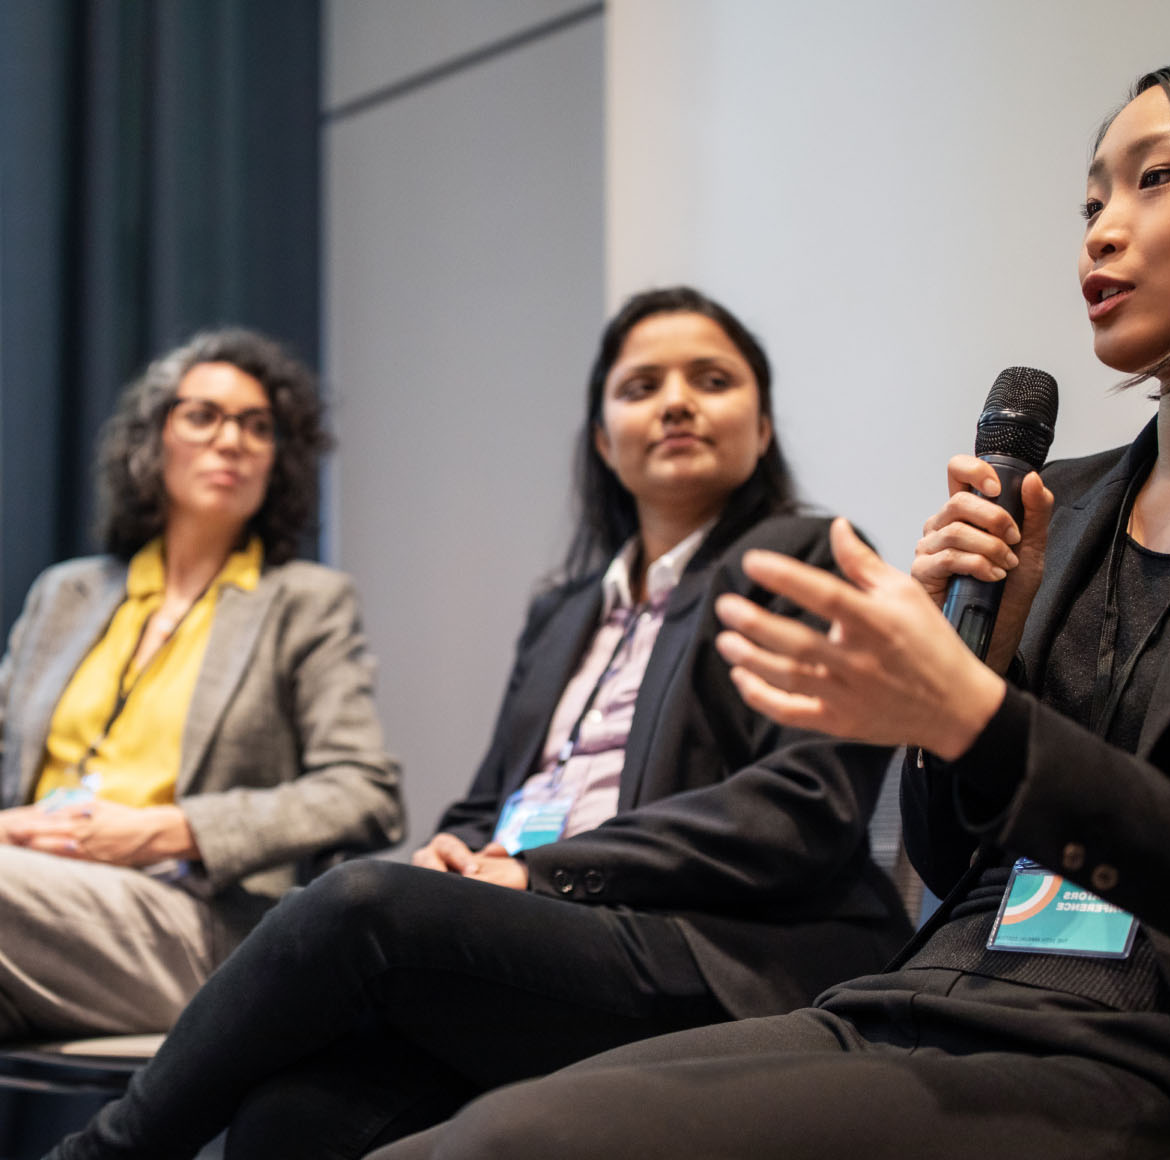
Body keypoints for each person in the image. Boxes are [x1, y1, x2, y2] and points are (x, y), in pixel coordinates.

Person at [360, 48, 1170, 1160]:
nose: (1099, 229)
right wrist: (973, 677)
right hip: (942, 989)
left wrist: (971, 710)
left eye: (1155, 179)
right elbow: (956, 861)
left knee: (508, 1147)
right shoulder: (1075, 495)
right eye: (1091, 196)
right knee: (421, 1138)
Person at [50, 286, 911, 1159]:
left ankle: (102, 1154)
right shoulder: (565, 612)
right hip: (562, 943)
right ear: (605, 442)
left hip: (720, 954)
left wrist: (540, 871)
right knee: (292, 1116)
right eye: (641, 385)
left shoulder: (812, 561)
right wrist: (455, 854)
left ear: (761, 428)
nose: (677, 401)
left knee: (358, 902)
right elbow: (489, 804)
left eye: (712, 379)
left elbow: (802, 807)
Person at [0, 328, 404, 1042]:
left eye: (257, 427)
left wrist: (172, 830)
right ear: (152, 440)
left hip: (191, 921)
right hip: (27, 895)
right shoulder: (66, 595)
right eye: (204, 416)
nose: (233, 441)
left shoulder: (304, 601)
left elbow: (364, 791)